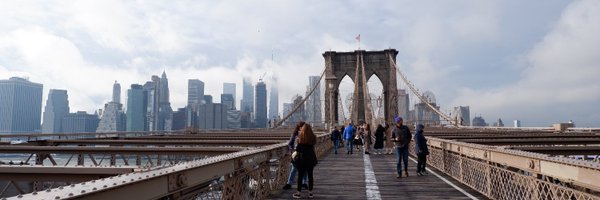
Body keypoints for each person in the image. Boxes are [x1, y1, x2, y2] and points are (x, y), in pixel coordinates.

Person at [293, 123, 318, 199]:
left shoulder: (300, 137)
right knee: (310, 176)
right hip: (311, 159)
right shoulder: (313, 137)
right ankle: (310, 193)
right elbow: (312, 146)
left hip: (302, 159)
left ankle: (298, 193)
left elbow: (298, 149)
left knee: (300, 176)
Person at [283, 121, 308, 190]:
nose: (304, 128)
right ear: (299, 127)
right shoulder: (294, 135)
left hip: (305, 154)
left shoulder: (307, 134)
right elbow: (290, 144)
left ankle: (304, 183)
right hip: (297, 155)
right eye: (303, 127)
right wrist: (292, 150)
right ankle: (289, 183)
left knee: (305, 169)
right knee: (294, 169)